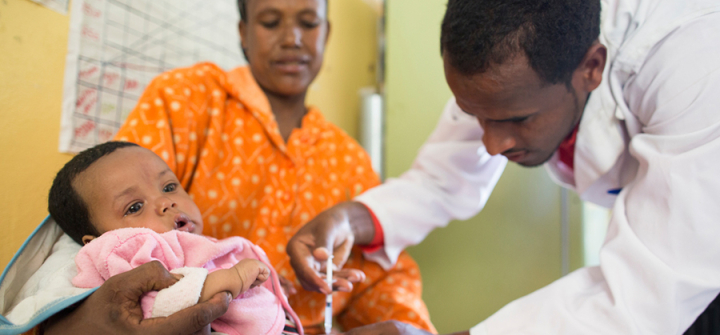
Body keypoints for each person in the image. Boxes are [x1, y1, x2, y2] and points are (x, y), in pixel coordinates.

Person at [0, 0, 435, 334]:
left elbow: (386, 277)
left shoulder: (347, 156)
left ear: (327, 31)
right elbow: (98, 222)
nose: (293, 38)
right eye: (270, 22)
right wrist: (73, 323)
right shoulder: (185, 100)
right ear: (243, 33)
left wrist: (407, 325)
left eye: (308, 22)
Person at [287, 0, 720, 334]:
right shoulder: (504, 76)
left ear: (592, 67)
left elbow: (647, 293)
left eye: (517, 120)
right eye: (476, 116)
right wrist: (348, 218)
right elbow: (442, 178)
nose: (492, 144)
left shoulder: (691, 57)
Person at [47, 141, 301, 335]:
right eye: (134, 207)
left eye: (168, 187)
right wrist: (234, 279)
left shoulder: (201, 246)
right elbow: (161, 304)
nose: (167, 202)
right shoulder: (128, 256)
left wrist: (272, 287)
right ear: (100, 243)